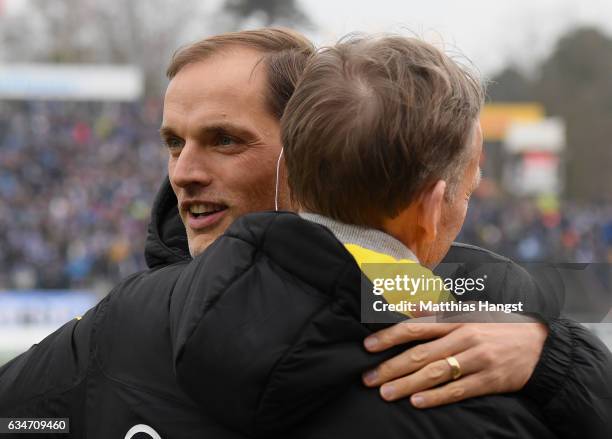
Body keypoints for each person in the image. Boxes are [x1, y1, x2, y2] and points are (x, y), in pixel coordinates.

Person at [0, 28, 610, 438]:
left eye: (225, 140)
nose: (182, 173)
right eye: (172, 143)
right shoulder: (126, 320)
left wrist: (551, 357)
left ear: (304, 151)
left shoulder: (477, 299)